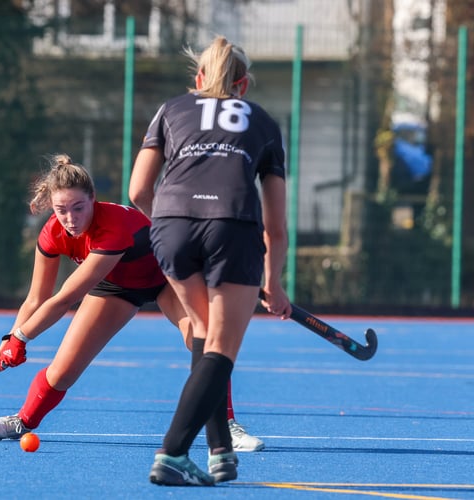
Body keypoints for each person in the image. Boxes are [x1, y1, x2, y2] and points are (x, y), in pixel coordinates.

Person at [0, 153, 262, 457]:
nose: (71, 219)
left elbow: (65, 298)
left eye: (78, 208)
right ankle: (23, 421)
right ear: (52, 206)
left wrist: (22, 338)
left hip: (168, 276)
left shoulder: (112, 227)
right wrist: (9, 340)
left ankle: (226, 426)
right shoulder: (52, 234)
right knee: (63, 372)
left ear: (93, 199)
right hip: (116, 287)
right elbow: (35, 299)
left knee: (202, 338)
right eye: (61, 210)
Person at [129, 36, 291, 486]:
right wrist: (273, 283)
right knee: (222, 346)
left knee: (204, 334)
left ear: (198, 79)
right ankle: (172, 453)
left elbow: (138, 191)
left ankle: (221, 453)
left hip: (171, 227)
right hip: (232, 227)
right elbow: (275, 225)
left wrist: (170, 221)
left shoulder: (171, 109)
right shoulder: (262, 121)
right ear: (243, 85)